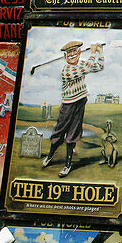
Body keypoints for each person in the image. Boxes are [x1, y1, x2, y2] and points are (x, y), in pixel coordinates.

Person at [42, 40, 105, 178]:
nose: (72, 54)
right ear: (65, 56)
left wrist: (100, 53)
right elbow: (86, 68)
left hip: (80, 101)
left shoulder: (83, 63)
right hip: (68, 103)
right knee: (59, 131)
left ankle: (68, 164)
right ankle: (50, 155)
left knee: (73, 132)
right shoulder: (66, 70)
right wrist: (93, 53)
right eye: (69, 53)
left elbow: (98, 66)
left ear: (79, 52)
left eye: (74, 51)